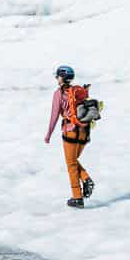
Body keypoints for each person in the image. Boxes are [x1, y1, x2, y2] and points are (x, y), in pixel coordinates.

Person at [45, 65, 96, 207]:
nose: (56, 78)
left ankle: (77, 197)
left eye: (57, 76)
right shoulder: (78, 91)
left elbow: (54, 115)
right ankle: (85, 179)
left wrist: (48, 134)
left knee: (71, 164)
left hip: (70, 131)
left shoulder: (58, 94)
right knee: (73, 160)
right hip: (84, 132)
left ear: (62, 77)